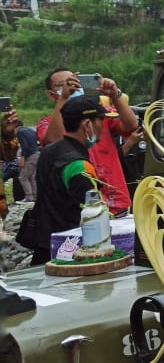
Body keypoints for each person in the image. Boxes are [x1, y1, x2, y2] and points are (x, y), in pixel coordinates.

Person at [37, 71, 138, 215]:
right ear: (51, 94)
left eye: (73, 82)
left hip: (116, 203)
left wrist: (114, 95)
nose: (71, 86)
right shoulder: (48, 123)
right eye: (63, 85)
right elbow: (52, 141)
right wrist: (64, 98)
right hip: (80, 209)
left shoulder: (100, 115)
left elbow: (131, 125)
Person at [23, 95, 107, 265]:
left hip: (44, 243)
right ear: (87, 124)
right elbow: (92, 216)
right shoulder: (79, 165)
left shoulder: (50, 150)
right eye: (101, 121)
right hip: (68, 250)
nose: (103, 127)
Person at [16, 122, 40, 202]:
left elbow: (25, 146)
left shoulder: (20, 132)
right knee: (32, 177)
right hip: (37, 154)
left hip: (31, 156)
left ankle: (29, 197)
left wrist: (23, 158)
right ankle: (35, 196)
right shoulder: (30, 130)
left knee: (23, 177)